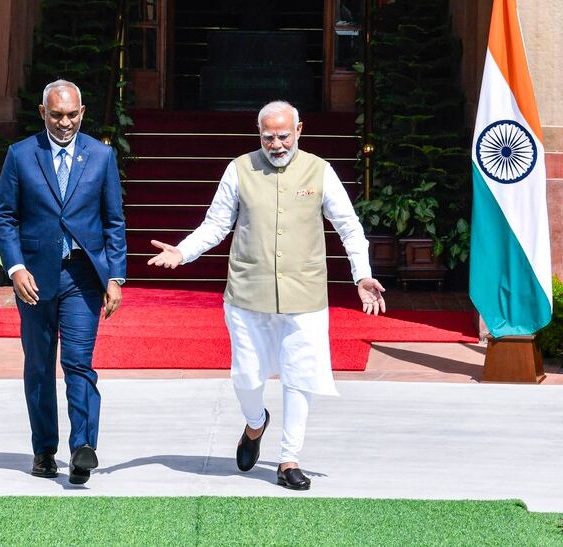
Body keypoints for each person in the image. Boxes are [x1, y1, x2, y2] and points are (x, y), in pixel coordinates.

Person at [147, 100, 385, 490]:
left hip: (305, 293)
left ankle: (289, 459)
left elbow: (349, 226)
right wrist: (183, 251)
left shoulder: (320, 171)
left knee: (299, 375)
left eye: (283, 136)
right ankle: (255, 423)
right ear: (258, 134)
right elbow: (216, 224)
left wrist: (362, 274)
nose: (276, 145)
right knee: (246, 375)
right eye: (268, 137)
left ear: (299, 130)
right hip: (247, 292)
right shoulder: (239, 168)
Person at [0, 79, 126, 485]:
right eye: (56, 115)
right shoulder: (21, 155)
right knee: (39, 365)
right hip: (34, 279)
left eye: (71, 115)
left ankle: (83, 448)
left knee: (78, 363)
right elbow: (5, 217)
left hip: (83, 277)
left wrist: (115, 276)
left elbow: (114, 221)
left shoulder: (101, 156)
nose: (64, 122)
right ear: (43, 113)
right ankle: (44, 449)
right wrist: (15, 269)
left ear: (82, 113)